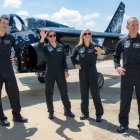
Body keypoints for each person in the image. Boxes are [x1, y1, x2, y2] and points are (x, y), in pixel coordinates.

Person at [39, 29, 75, 119]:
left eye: (54, 35)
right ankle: (51, 112)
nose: (53, 37)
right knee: (49, 93)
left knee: (64, 92)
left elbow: (64, 60)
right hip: (50, 73)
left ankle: (67, 110)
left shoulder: (61, 47)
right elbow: (39, 47)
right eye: (50, 36)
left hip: (60, 73)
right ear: (48, 37)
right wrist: (42, 38)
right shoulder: (46, 47)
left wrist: (66, 70)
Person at [113, 17, 140, 133]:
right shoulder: (122, 42)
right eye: (132, 24)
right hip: (126, 75)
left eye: (137, 24)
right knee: (125, 101)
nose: (135, 26)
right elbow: (116, 56)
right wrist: (117, 66)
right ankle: (123, 124)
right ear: (127, 27)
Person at [0, 15, 28, 126]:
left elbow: (18, 50)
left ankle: (16, 116)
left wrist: (15, 57)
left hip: (8, 69)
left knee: (14, 93)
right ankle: (2, 118)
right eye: (3, 23)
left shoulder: (10, 38)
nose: (5, 25)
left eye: (7, 24)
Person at [71, 29, 104, 121]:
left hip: (92, 71)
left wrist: (100, 51)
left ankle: (99, 114)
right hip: (82, 72)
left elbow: (106, 51)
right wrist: (75, 64)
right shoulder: (78, 47)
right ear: (82, 35)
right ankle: (85, 113)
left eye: (89, 33)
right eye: (85, 33)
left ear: (91, 35)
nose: (87, 35)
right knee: (84, 94)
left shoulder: (94, 46)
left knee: (95, 94)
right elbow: (72, 57)